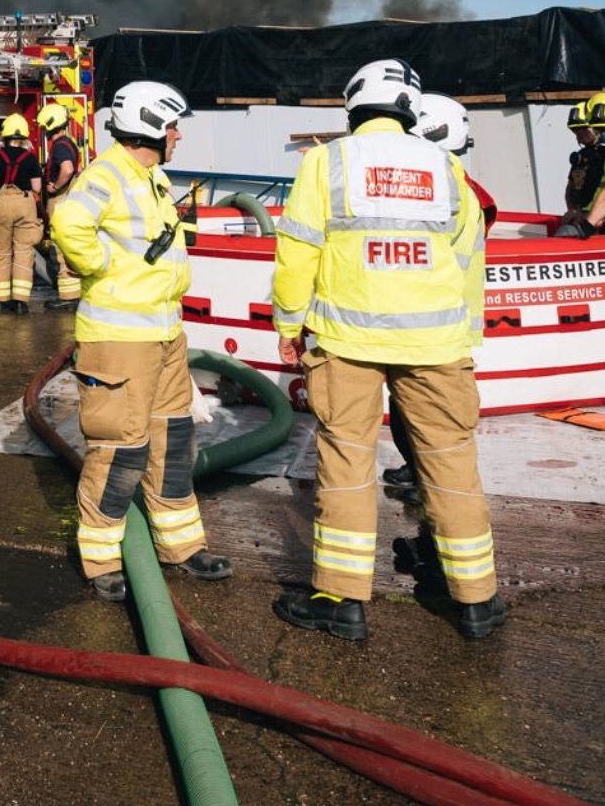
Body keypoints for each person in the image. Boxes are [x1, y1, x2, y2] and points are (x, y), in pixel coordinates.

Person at [270, 58, 504, 643]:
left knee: (347, 464)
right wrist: (466, 338)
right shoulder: (449, 170)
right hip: (438, 345)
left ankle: (342, 603)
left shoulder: (327, 162)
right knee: (451, 465)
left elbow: (299, 250)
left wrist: (289, 324)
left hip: (347, 343)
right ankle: (477, 601)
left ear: (354, 104)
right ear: (410, 108)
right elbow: (469, 260)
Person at [50, 81, 232, 601]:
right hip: (120, 339)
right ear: (151, 126)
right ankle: (103, 558)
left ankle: (181, 547)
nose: (178, 136)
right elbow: (68, 222)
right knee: (120, 450)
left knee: (173, 442)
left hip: (164, 333)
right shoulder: (106, 174)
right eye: (173, 126)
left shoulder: (151, 175)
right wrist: (101, 266)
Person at [383, 93, 497, 506]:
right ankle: (416, 468)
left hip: (435, 327)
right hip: (431, 323)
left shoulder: (451, 191)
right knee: (408, 409)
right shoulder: (456, 187)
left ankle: (428, 481)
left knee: (429, 416)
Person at [0, 114, 43, 313]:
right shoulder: (31, 158)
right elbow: (37, 187)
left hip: (1, 203)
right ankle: (20, 302)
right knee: (23, 252)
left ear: (6, 134)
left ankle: (0, 300)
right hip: (24, 203)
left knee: (0, 252)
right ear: (24, 136)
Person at [36, 102, 81, 311]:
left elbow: (68, 168)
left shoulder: (61, 146)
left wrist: (55, 186)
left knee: (60, 245)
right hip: (70, 199)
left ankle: (68, 297)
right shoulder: (69, 143)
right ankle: (74, 294)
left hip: (61, 199)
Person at [555, 97, 605, 237]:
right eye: (576, 131)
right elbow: (572, 188)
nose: (580, 134)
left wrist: (587, 224)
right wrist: (575, 211)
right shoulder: (582, 157)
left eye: (583, 129)